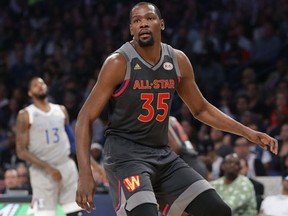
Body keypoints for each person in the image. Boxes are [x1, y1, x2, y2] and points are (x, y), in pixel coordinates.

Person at [74, 2, 278, 216]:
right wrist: (85, 173)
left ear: (161, 24)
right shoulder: (118, 62)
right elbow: (84, 119)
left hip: (162, 155)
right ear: (131, 29)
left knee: (218, 210)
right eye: (137, 21)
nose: (143, 24)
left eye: (149, 18)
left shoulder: (178, 60)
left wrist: (248, 133)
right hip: (126, 157)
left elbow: (201, 109)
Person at [15, 77, 82, 216]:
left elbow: (73, 142)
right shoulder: (26, 115)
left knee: (74, 211)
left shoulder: (61, 110)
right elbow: (21, 151)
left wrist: (91, 165)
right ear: (30, 93)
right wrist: (48, 167)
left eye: (42, 83)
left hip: (66, 166)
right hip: (42, 171)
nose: (40, 86)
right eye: (35, 85)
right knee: (45, 213)